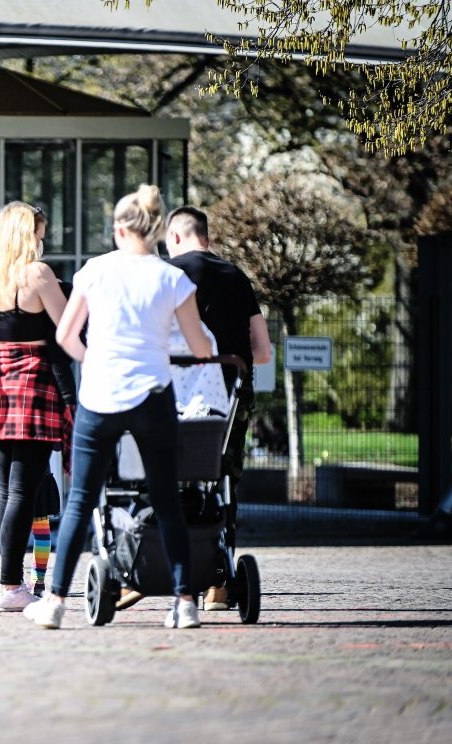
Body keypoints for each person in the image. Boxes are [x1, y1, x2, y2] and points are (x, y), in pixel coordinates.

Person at [26, 184, 214, 631]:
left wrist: (98, 363)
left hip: (100, 397)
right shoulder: (173, 279)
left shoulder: (94, 272)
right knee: (167, 497)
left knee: (79, 501)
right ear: (154, 230)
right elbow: (200, 347)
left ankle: (54, 602)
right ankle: (185, 602)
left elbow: (67, 337)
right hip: (153, 395)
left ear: (120, 229)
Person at [0, 202, 72, 613]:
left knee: (10, 490)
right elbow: (67, 330)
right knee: (24, 492)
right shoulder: (37, 275)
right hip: (33, 392)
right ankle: (11, 584)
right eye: (40, 233)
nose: (43, 241)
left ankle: (12, 581)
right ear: (27, 235)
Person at [165, 205, 272, 611]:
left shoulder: (168, 274)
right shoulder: (237, 276)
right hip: (231, 397)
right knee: (223, 481)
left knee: (165, 478)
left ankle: (169, 570)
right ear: (206, 236)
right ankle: (219, 584)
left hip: (176, 397)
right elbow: (261, 352)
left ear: (174, 237)